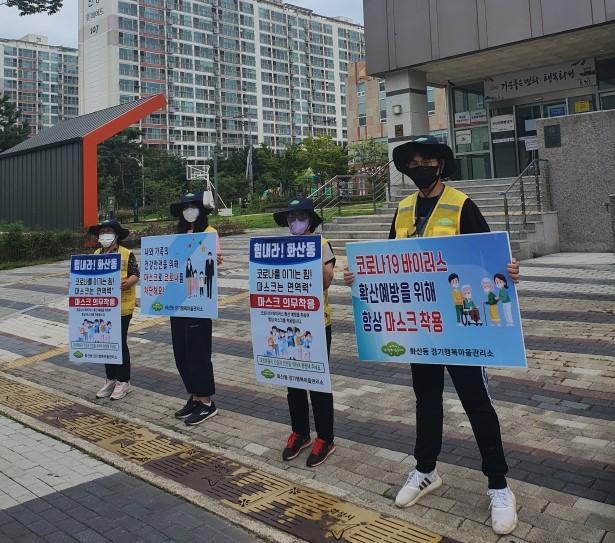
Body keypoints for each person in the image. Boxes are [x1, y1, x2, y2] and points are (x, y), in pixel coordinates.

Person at [343, 135, 521, 535]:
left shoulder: (461, 205)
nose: (419, 166)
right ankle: (425, 470)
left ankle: (499, 485)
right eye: (413, 162)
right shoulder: (404, 208)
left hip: (461, 326)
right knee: (426, 400)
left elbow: (488, 256)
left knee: (476, 402)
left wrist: (507, 272)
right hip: (421, 327)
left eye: (427, 160)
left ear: (441, 165)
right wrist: (360, 276)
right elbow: (389, 261)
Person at [273, 197, 337, 467]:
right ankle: (300, 432)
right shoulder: (280, 248)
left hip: (317, 324)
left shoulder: (322, 244)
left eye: (300, 218)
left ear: (311, 220)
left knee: (318, 383)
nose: (295, 223)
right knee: (293, 381)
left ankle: (325, 438)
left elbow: (326, 282)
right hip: (289, 322)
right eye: (291, 218)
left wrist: (311, 255)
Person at [169, 192, 223, 426]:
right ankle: (194, 396)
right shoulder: (179, 236)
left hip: (199, 302)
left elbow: (211, 265)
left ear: (201, 210)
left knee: (198, 353)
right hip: (177, 301)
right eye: (185, 207)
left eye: (193, 206)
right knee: (181, 352)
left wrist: (215, 261)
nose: (189, 210)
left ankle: (206, 402)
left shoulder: (210, 233)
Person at [89, 220, 140, 401]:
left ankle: (123, 381)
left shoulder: (126, 253)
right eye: (102, 232)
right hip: (102, 307)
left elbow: (136, 274)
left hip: (122, 307)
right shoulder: (96, 254)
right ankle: (110, 379)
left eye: (109, 231)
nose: (105, 235)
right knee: (105, 342)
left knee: (119, 342)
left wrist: (128, 282)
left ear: (117, 235)